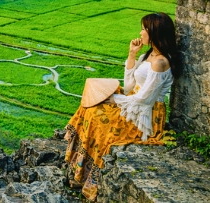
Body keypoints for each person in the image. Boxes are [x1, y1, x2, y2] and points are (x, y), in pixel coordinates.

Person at [64, 13, 179, 201]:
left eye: (144, 29)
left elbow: (144, 99)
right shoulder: (148, 55)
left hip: (146, 114)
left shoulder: (160, 63)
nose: (140, 33)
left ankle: (86, 176)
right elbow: (129, 87)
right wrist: (132, 55)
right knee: (89, 108)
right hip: (132, 103)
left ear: (154, 32)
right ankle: (78, 170)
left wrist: (114, 100)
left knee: (96, 116)